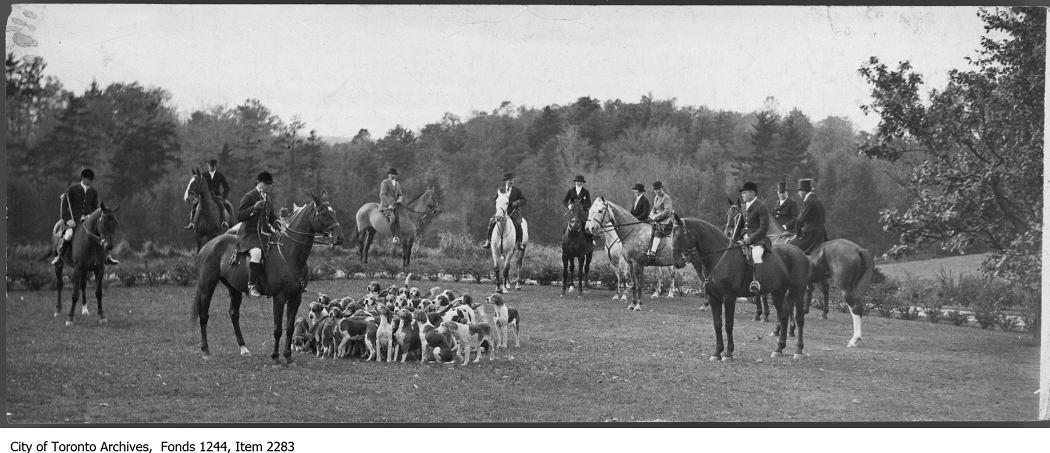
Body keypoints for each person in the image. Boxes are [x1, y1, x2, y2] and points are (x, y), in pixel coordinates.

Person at [53, 168, 120, 266]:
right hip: (74, 220)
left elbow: (94, 208)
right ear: (83, 178)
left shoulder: (93, 192)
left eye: (91, 180)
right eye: (89, 179)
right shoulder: (72, 189)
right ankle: (60, 256)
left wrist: (90, 215)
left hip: (88, 220)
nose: (90, 182)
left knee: (100, 233)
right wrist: (68, 220)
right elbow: (64, 207)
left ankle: (107, 256)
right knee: (69, 234)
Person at [237, 171, 277, 298]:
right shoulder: (249, 196)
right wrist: (254, 208)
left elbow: (271, 217)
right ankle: (252, 285)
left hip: (264, 234)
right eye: (267, 184)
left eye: (270, 184)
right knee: (257, 253)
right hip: (249, 234)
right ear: (259, 183)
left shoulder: (268, 198)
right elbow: (240, 216)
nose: (269, 187)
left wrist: (277, 222)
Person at [733, 181, 772, 293]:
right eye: (742, 193)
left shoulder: (761, 207)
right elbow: (739, 226)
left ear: (752, 193)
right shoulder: (744, 207)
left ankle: (756, 282)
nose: (742, 195)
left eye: (744, 193)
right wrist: (733, 240)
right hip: (743, 239)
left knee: (756, 255)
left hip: (758, 240)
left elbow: (764, 228)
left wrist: (750, 239)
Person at [482, 172, 526, 251]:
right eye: (510, 180)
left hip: (513, 212)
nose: (512, 182)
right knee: (492, 222)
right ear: (506, 181)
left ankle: (519, 243)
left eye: (513, 180)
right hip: (501, 212)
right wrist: (499, 205)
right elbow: (494, 200)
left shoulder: (517, 190)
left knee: (518, 224)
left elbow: (524, 200)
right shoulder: (500, 190)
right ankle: (488, 241)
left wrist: (516, 203)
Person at [185, 158, 232, 230]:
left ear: (215, 166)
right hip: (204, 196)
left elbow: (227, 187)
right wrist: (197, 193)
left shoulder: (220, 175)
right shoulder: (203, 175)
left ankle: (224, 222)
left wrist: (222, 196)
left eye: (212, 166)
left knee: (222, 205)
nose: (211, 167)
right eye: (210, 166)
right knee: (194, 204)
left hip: (216, 196)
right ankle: (191, 223)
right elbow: (199, 185)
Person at [789, 178, 828, 254]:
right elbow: (823, 219)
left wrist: (797, 234)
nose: (798, 193)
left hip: (811, 234)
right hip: (821, 233)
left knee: (790, 247)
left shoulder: (808, 201)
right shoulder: (818, 200)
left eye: (799, 191)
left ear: (804, 191)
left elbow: (800, 220)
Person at [646, 181, 674, 259]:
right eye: (656, 189)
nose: (657, 191)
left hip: (666, 222)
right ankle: (648, 249)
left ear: (662, 188)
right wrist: (651, 216)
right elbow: (653, 209)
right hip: (657, 221)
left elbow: (667, 211)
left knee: (657, 232)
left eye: (659, 189)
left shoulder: (666, 198)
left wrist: (656, 216)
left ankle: (653, 252)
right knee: (648, 230)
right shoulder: (656, 198)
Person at [563, 174, 593, 243]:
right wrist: (568, 206)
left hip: (582, 213)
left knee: (587, 227)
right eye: (578, 181)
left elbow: (589, 203)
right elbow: (564, 201)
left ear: (582, 183)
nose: (579, 183)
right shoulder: (570, 191)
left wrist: (582, 206)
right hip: (573, 213)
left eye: (581, 182)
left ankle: (591, 242)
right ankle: (564, 240)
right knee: (566, 228)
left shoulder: (586, 192)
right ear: (575, 182)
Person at [379, 168, 405, 244]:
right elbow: (382, 195)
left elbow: (400, 195)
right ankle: (394, 237)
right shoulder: (385, 182)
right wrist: (389, 205)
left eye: (396, 174)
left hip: (395, 204)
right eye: (394, 174)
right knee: (393, 218)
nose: (396, 176)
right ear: (390, 174)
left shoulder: (397, 183)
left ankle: (402, 235)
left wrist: (400, 199)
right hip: (386, 205)